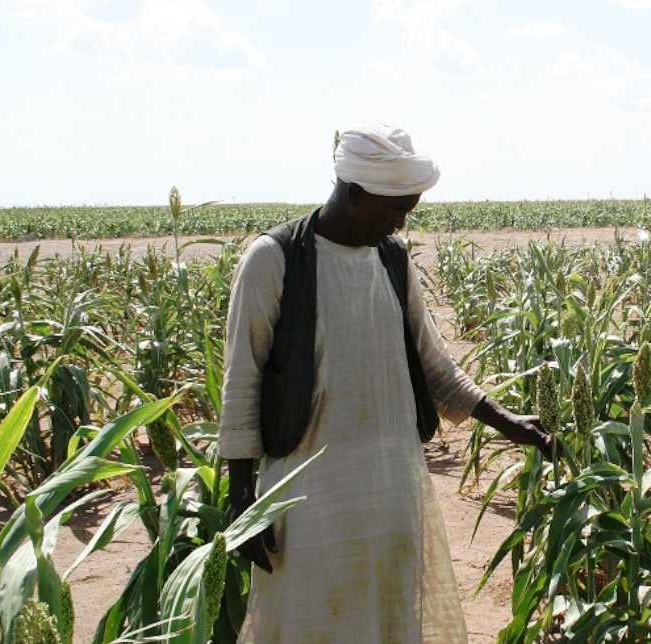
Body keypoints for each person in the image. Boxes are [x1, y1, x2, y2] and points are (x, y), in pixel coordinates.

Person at [218, 124, 553, 643]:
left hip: (392, 488)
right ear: (354, 193)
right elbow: (242, 380)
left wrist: (505, 422)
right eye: (395, 209)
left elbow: (434, 365)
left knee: (390, 618)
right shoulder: (276, 259)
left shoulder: (392, 260)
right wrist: (244, 500)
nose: (400, 224)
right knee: (311, 622)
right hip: (309, 497)